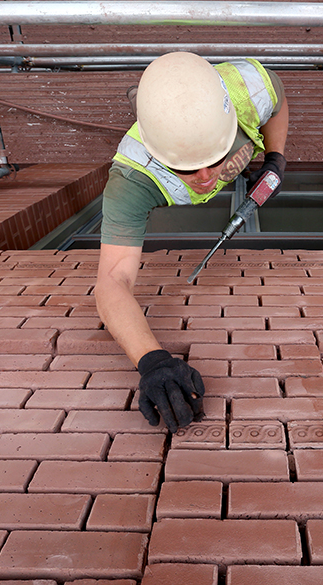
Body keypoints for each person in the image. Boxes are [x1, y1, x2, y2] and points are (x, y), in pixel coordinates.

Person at [93, 52, 289, 433]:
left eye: (214, 159)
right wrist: (151, 359)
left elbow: (278, 99)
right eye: (184, 167)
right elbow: (111, 282)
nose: (203, 178)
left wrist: (275, 157)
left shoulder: (251, 86)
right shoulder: (131, 180)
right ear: (156, 150)